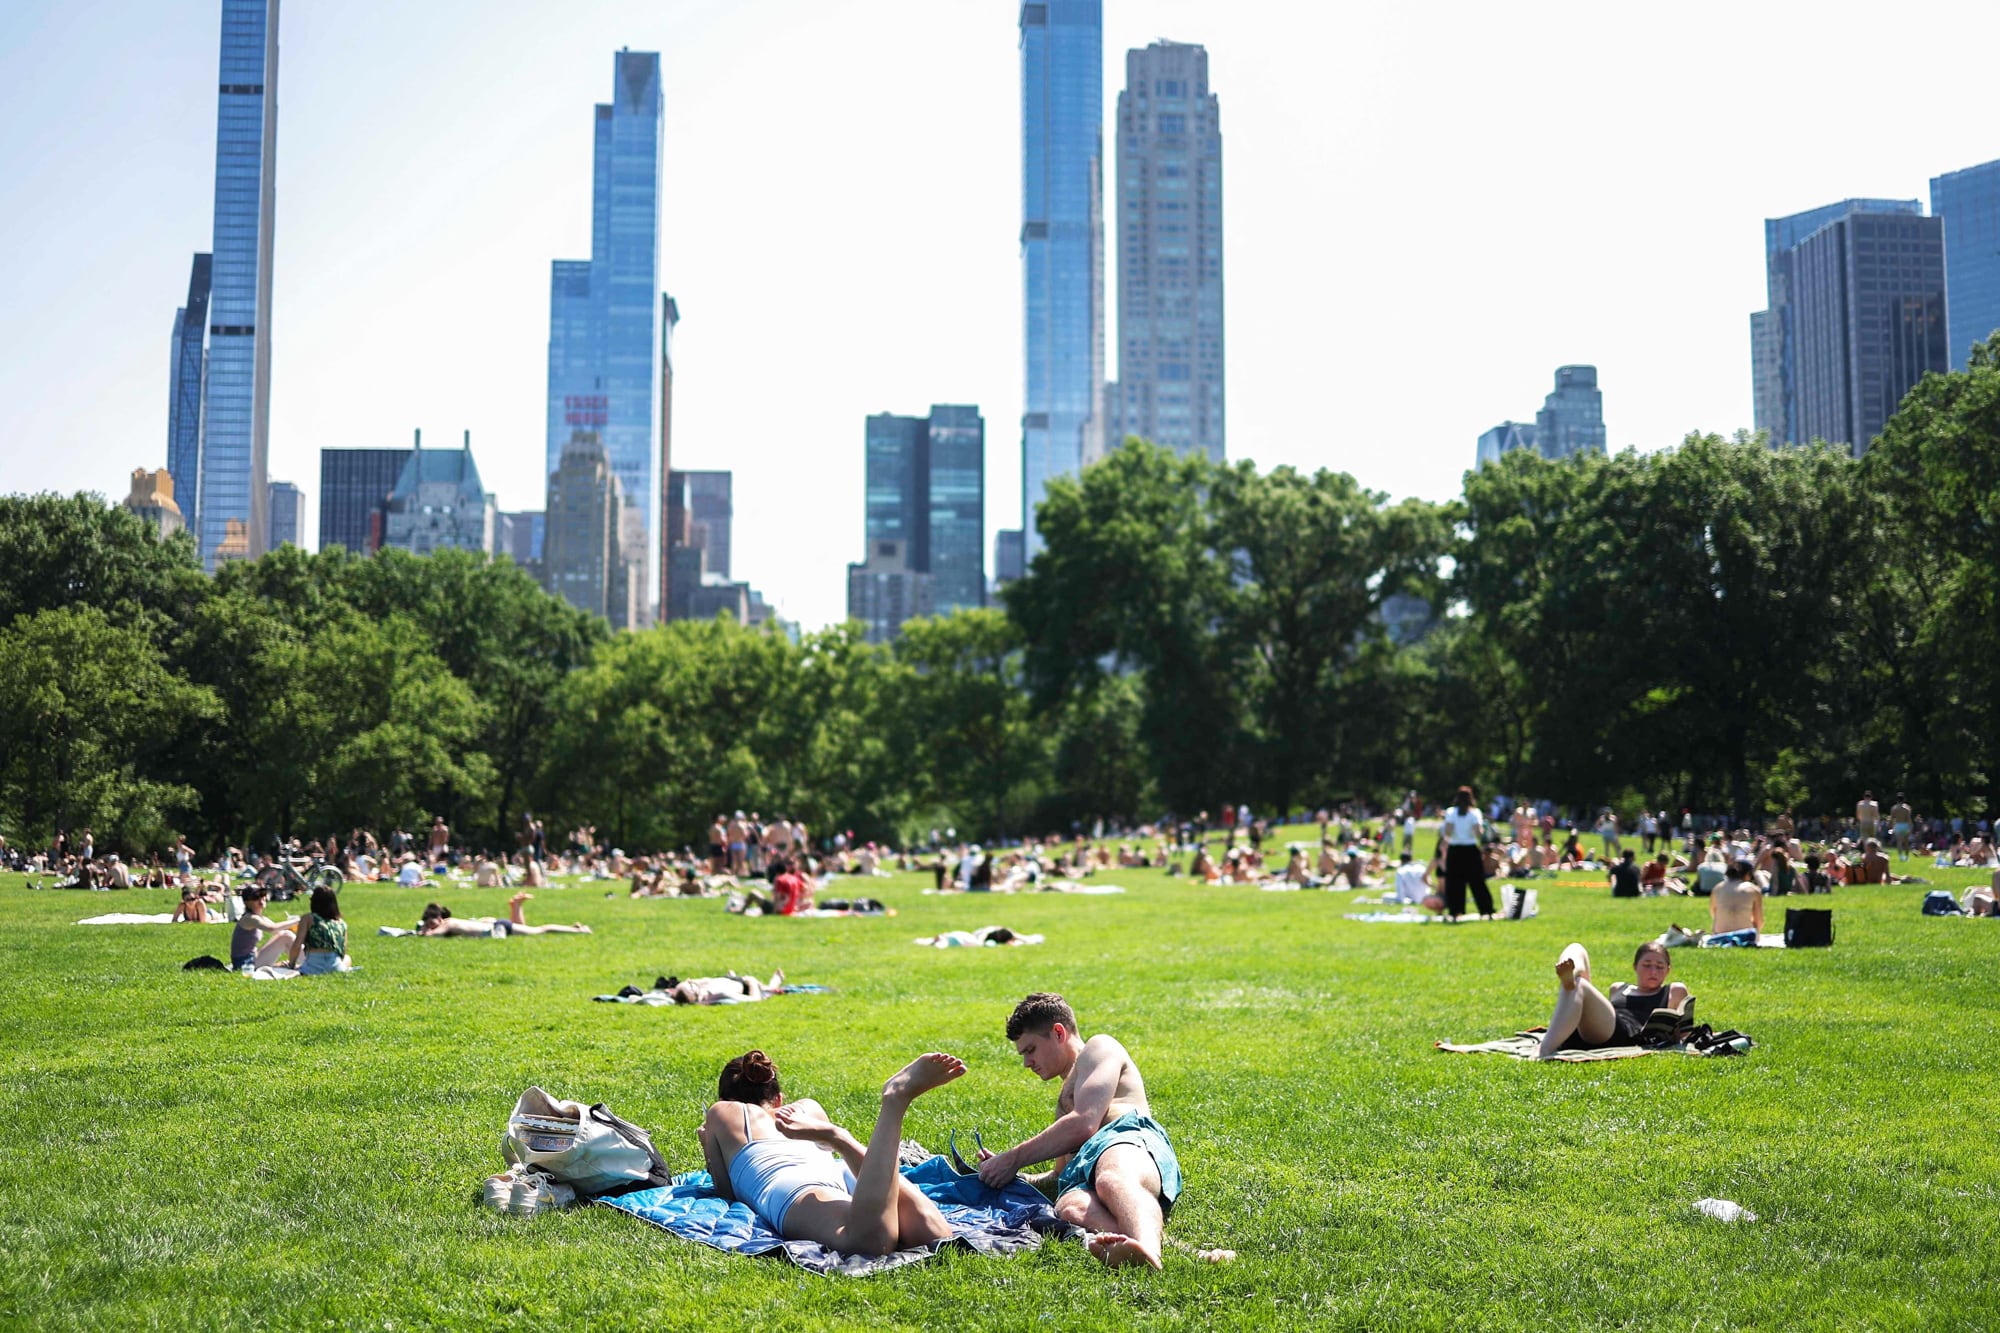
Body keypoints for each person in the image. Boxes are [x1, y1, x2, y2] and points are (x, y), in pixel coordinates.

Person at [978, 992, 1217, 1270]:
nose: (1026, 1063)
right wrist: (1011, 1175)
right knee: (1070, 1206)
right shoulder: (1066, 1095)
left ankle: (1151, 1255)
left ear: (1058, 1033)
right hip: (1083, 1168)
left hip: (1125, 1139)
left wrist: (1013, 1158)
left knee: (1110, 1177)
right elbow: (1057, 1175)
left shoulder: (1099, 1048)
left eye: (1030, 1050)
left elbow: (1085, 1123)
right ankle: (1173, 1250)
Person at [697, 1048, 964, 1256]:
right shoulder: (807, 1108)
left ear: (725, 1098)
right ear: (779, 1099)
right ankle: (839, 1139)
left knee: (869, 1245)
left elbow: (726, 1193)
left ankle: (888, 1104)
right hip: (839, 1172)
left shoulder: (723, 1112)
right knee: (937, 1236)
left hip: (788, 1185)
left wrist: (708, 1144)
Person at [1536, 941, 1691, 1059]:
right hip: (1603, 1027)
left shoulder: (1673, 991)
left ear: (1668, 970)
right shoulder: (1618, 988)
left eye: (1659, 967)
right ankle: (1574, 973)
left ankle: (1544, 1049)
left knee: (1580, 986)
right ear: (1635, 967)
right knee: (1576, 948)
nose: (1653, 971)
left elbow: (1685, 1033)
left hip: (1625, 1034)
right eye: (1646, 965)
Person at [1434, 787, 1495, 920]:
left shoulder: (1451, 812)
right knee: (1477, 882)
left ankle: (1455, 911)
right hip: (1470, 850)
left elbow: (1448, 832)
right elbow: (1478, 833)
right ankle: (1486, 910)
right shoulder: (1475, 813)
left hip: (1455, 850)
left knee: (1454, 882)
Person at [415, 893, 591, 936]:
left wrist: (423, 930)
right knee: (526, 929)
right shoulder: (449, 922)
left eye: (431, 923)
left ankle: (578, 931)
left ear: (440, 919)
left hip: (499, 927)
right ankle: (516, 907)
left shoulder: (448, 924)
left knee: (540, 930)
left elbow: (430, 936)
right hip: (493, 924)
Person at [230, 886, 299, 970]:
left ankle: (298, 962)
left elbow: (279, 931)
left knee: (285, 935)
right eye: (256, 898)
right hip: (244, 963)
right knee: (286, 936)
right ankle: (306, 963)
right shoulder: (250, 918)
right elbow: (272, 928)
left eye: (263, 895)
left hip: (251, 958)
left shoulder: (259, 917)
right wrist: (297, 921)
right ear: (246, 902)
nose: (261, 900)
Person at [286, 886, 350, 976]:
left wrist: (291, 965)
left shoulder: (308, 918)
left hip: (312, 966)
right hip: (335, 966)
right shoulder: (342, 923)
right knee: (348, 958)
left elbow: (297, 945)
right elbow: (343, 950)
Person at [1709, 860, 1764, 936]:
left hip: (1719, 936)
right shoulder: (1753, 890)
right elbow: (1759, 921)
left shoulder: (1717, 888)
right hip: (1744, 936)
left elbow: (1714, 914)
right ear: (1748, 874)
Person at [1888, 795, 1914, 859]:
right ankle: (1907, 856)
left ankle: (1900, 856)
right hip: (1905, 825)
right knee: (1906, 842)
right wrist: (1911, 826)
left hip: (1897, 825)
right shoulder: (1907, 808)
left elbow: (1892, 818)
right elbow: (1909, 819)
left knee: (1899, 842)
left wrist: (1890, 826)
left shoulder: (1894, 808)